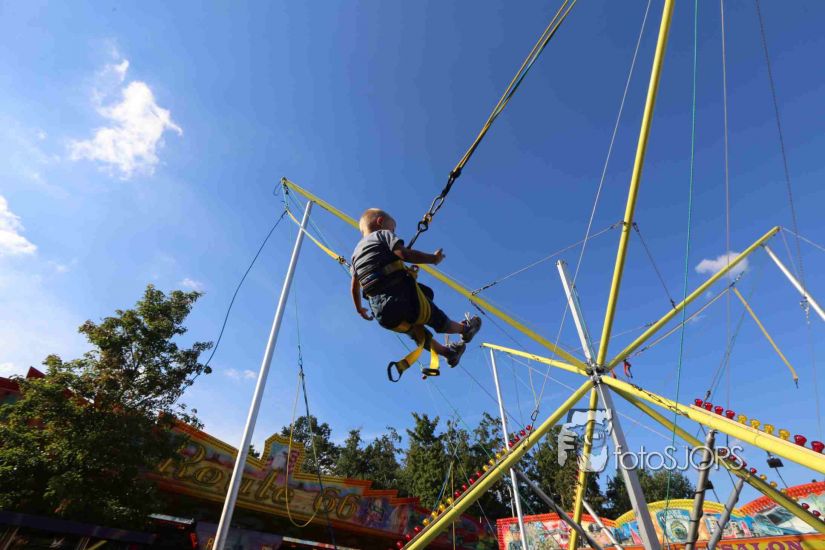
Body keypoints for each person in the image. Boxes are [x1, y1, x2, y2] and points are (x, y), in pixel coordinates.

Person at [350, 208, 481, 368]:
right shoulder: (382, 234)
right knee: (433, 316)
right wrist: (434, 259)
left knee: (417, 333)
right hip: (400, 295)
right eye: (393, 228)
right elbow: (404, 254)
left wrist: (360, 309)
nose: (393, 232)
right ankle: (465, 330)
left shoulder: (354, 255)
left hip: (381, 313)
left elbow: (354, 288)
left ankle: (448, 353)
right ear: (380, 222)